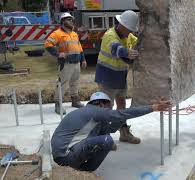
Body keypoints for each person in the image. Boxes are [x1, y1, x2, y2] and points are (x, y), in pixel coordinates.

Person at [51, 92, 171, 172]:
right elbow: (120, 114)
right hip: (65, 156)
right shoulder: (94, 111)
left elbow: (109, 129)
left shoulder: (91, 117)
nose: (110, 109)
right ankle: (86, 172)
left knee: (106, 140)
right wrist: (153, 108)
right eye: (109, 106)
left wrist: (121, 119)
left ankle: (80, 172)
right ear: (100, 103)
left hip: (64, 155)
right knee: (107, 141)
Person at [95, 10, 140, 144]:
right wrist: (127, 52)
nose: (130, 32)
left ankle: (123, 132)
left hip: (120, 77)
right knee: (106, 108)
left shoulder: (128, 35)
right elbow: (117, 49)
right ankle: (101, 137)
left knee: (122, 105)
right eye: (129, 29)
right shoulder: (110, 35)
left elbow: (137, 41)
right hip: (106, 77)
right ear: (122, 25)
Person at [44, 12, 87, 115]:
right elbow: (47, 44)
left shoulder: (74, 34)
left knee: (74, 82)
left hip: (76, 63)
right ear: (63, 21)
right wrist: (58, 54)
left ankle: (75, 100)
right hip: (66, 64)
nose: (71, 21)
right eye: (69, 19)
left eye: (72, 19)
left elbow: (79, 48)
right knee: (62, 84)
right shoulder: (57, 33)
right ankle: (58, 105)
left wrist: (83, 60)